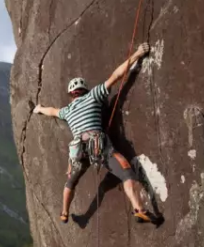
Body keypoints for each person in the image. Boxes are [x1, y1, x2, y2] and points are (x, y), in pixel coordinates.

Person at [32, 42, 159, 225]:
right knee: (126, 172)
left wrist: (39, 109)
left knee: (71, 181)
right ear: (85, 90)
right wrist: (138, 54)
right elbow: (116, 76)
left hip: (78, 151)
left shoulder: (67, 110)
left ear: (71, 94)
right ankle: (139, 209)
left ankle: (64, 212)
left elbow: (51, 111)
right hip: (99, 145)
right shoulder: (94, 95)